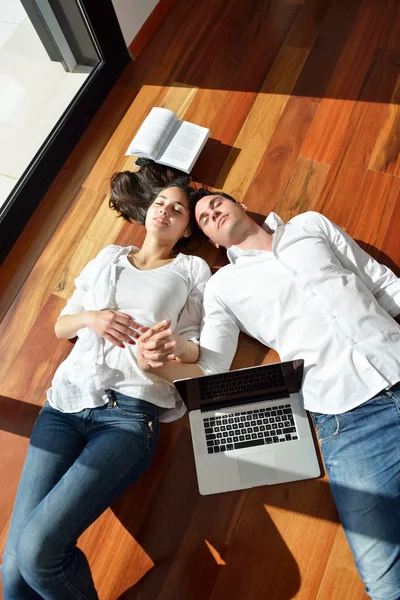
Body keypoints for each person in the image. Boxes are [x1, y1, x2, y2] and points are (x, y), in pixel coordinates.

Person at [1, 167, 211, 600]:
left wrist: (167, 349)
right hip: (64, 407)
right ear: (146, 212)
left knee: (38, 551)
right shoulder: (109, 256)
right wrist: (92, 319)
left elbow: (192, 344)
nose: (166, 211)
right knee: (12, 574)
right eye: (160, 203)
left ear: (187, 226)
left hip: (129, 416)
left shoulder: (192, 269)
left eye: (177, 209)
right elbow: (63, 325)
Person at [189, 191, 400, 600]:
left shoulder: (310, 225)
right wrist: (172, 354)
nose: (211, 212)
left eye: (215, 203)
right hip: (348, 419)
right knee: (385, 581)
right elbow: (212, 364)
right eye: (202, 219)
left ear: (240, 205)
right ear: (213, 242)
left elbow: (381, 284)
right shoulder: (222, 288)